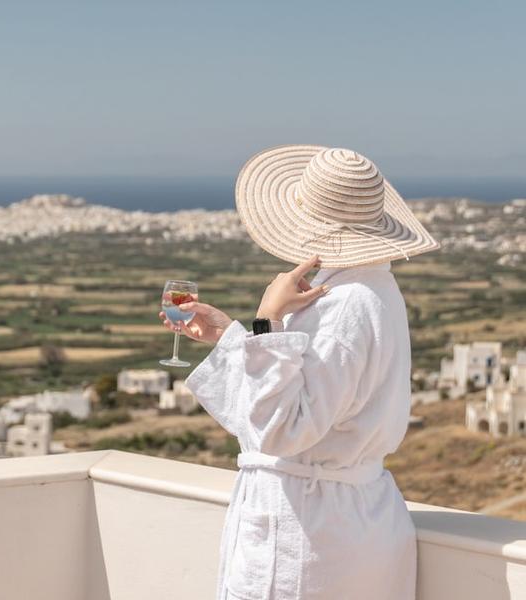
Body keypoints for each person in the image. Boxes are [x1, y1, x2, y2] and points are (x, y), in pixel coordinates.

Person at [160, 146, 439, 600]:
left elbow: (282, 429)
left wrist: (267, 320)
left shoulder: (346, 305)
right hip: (349, 525)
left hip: (307, 538)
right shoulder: (372, 289)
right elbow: (300, 398)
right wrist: (234, 335)